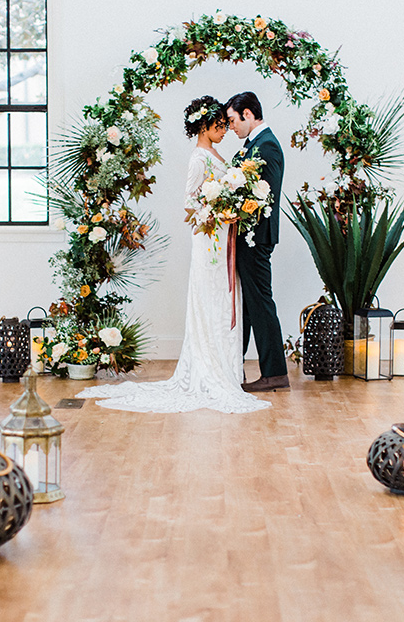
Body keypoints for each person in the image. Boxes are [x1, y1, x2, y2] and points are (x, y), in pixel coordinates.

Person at [76, 96, 270, 414]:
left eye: (226, 125)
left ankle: (227, 370)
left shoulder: (215, 153)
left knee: (225, 301)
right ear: (205, 127)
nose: (225, 131)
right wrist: (223, 213)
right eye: (220, 126)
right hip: (209, 241)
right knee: (211, 302)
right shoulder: (198, 159)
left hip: (223, 241)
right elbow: (189, 205)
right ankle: (210, 370)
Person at [225, 92, 289, 392]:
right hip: (247, 236)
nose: (231, 127)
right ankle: (236, 364)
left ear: (248, 114)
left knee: (261, 304)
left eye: (233, 120)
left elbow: (265, 195)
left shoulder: (267, 147)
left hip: (256, 237)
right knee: (250, 306)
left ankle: (275, 372)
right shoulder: (252, 147)